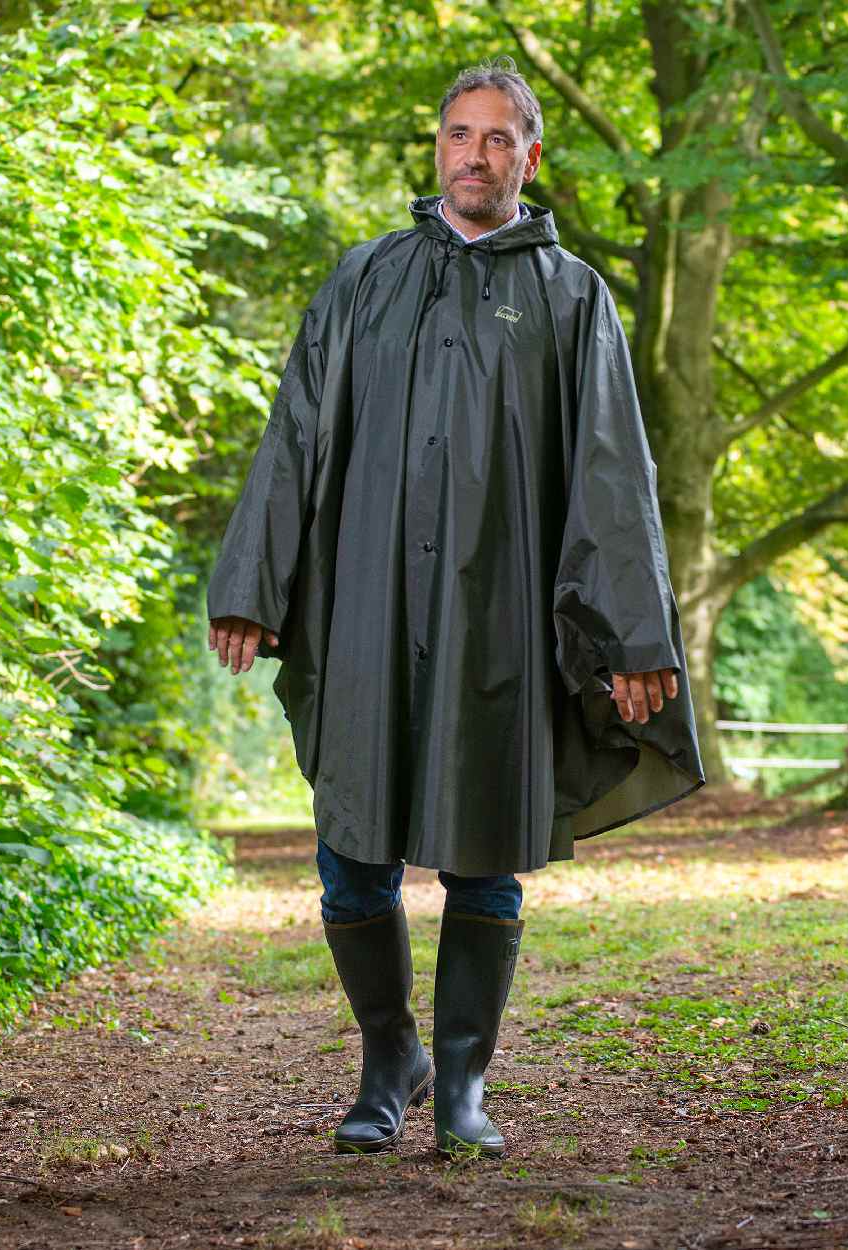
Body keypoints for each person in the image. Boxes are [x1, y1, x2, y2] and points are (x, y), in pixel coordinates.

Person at [207, 58, 704, 1159]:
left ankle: (462, 1084)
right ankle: (390, 1056)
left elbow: (612, 469)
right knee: (351, 849)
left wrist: (630, 632)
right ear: (436, 150)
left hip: (501, 616)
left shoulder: (571, 296)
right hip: (365, 607)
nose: (472, 156)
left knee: (485, 848)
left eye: (494, 139)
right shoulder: (363, 279)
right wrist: (252, 581)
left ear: (531, 156)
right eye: (455, 136)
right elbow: (295, 432)